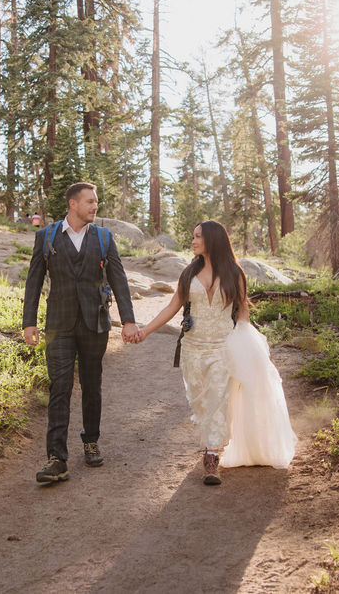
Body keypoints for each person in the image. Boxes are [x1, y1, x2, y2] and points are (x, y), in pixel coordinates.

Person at [136, 220, 297, 485]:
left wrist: (248, 347)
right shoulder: (188, 273)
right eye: (193, 236)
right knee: (201, 402)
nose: (194, 240)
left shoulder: (234, 273)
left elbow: (242, 312)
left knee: (219, 399)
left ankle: (211, 456)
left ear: (212, 239)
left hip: (224, 347)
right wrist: (145, 330)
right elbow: (171, 307)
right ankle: (211, 442)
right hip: (193, 348)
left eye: (198, 236)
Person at [22, 182, 140, 483]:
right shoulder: (45, 237)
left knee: (91, 384)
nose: (95, 206)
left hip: (95, 323)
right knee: (59, 387)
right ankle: (57, 458)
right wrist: (29, 322)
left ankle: (91, 442)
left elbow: (119, 279)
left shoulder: (103, 237)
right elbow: (34, 282)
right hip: (58, 325)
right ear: (72, 204)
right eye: (89, 201)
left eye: (96, 201)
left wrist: (128, 320)